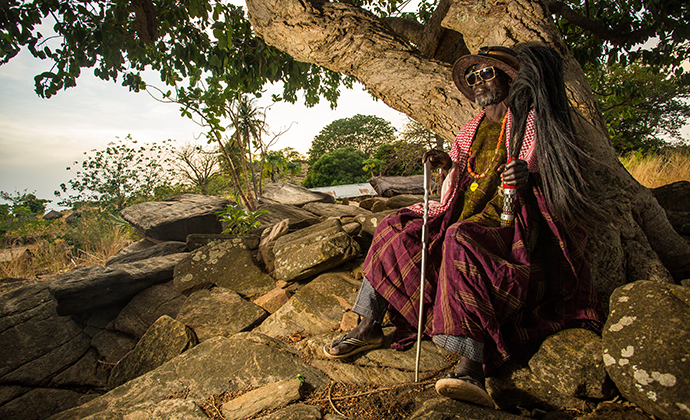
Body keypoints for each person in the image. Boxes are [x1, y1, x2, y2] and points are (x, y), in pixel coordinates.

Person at [324, 44, 608, 408]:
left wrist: (527, 176)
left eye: (486, 73)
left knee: (460, 241)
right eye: (472, 77)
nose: (478, 82)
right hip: (459, 214)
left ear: (508, 78)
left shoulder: (531, 122)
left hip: (510, 224)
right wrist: (446, 163)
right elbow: (459, 177)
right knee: (395, 225)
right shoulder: (470, 128)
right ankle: (369, 325)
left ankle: (469, 364)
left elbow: (554, 174)